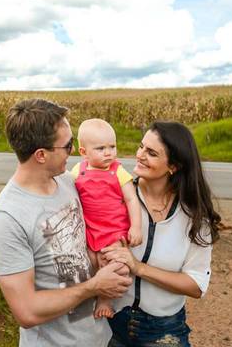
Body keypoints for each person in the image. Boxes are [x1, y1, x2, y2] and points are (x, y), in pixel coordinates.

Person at [0, 98, 132, 346]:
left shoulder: (66, 181)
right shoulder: (7, 218)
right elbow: (27, 311)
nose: (74, 151)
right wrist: (95, 286)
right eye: (67, 145)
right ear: (41, 155)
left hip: (99, 336)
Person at [101, 121, 221, 347]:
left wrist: (139, 268)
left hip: (164, 330)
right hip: (108, 321)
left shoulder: (194, 217)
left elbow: (196, 284)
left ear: (173, 166)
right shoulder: (118, 198)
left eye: (152, 153)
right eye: (141, 146)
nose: (140, 155)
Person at [70, 118, 142, 319]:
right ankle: (89, 292)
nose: (109, 152)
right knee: (90, 262)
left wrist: (136, 227)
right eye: (101, 148)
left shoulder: (117, 171)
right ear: (84, 152)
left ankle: (105, 300)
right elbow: (68, 192)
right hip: (89, 230)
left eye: (112, 146)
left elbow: (131, 199)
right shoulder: (78, 170)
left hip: (113, 231)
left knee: (117, 264)